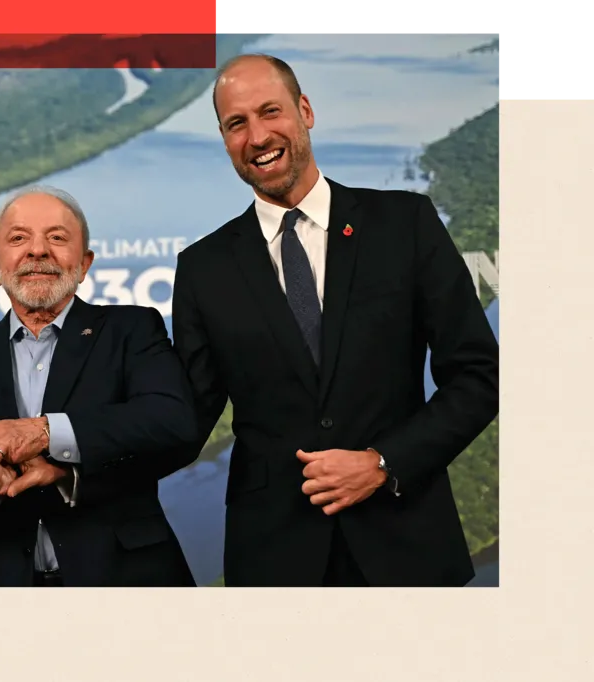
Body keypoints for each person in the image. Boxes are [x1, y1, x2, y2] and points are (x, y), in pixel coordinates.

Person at [171, 54, 499, 587]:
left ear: (305, 110)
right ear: (225, 139)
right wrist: (71, 457)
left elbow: (480, 375)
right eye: (237, 123)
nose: (257, 136)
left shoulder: (405, 224)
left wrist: (383, 462)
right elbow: (184, 420)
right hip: (275, 564)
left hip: (407, 545)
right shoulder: (203, 269)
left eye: (270, 111)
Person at [0, 185, 199, 587]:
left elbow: (172, 420)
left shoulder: (132, 329)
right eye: (18, 238)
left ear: (85, 263)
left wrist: (45, 434)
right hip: (1, 591)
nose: (37, 251)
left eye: (57, 237)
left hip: (127, 582)